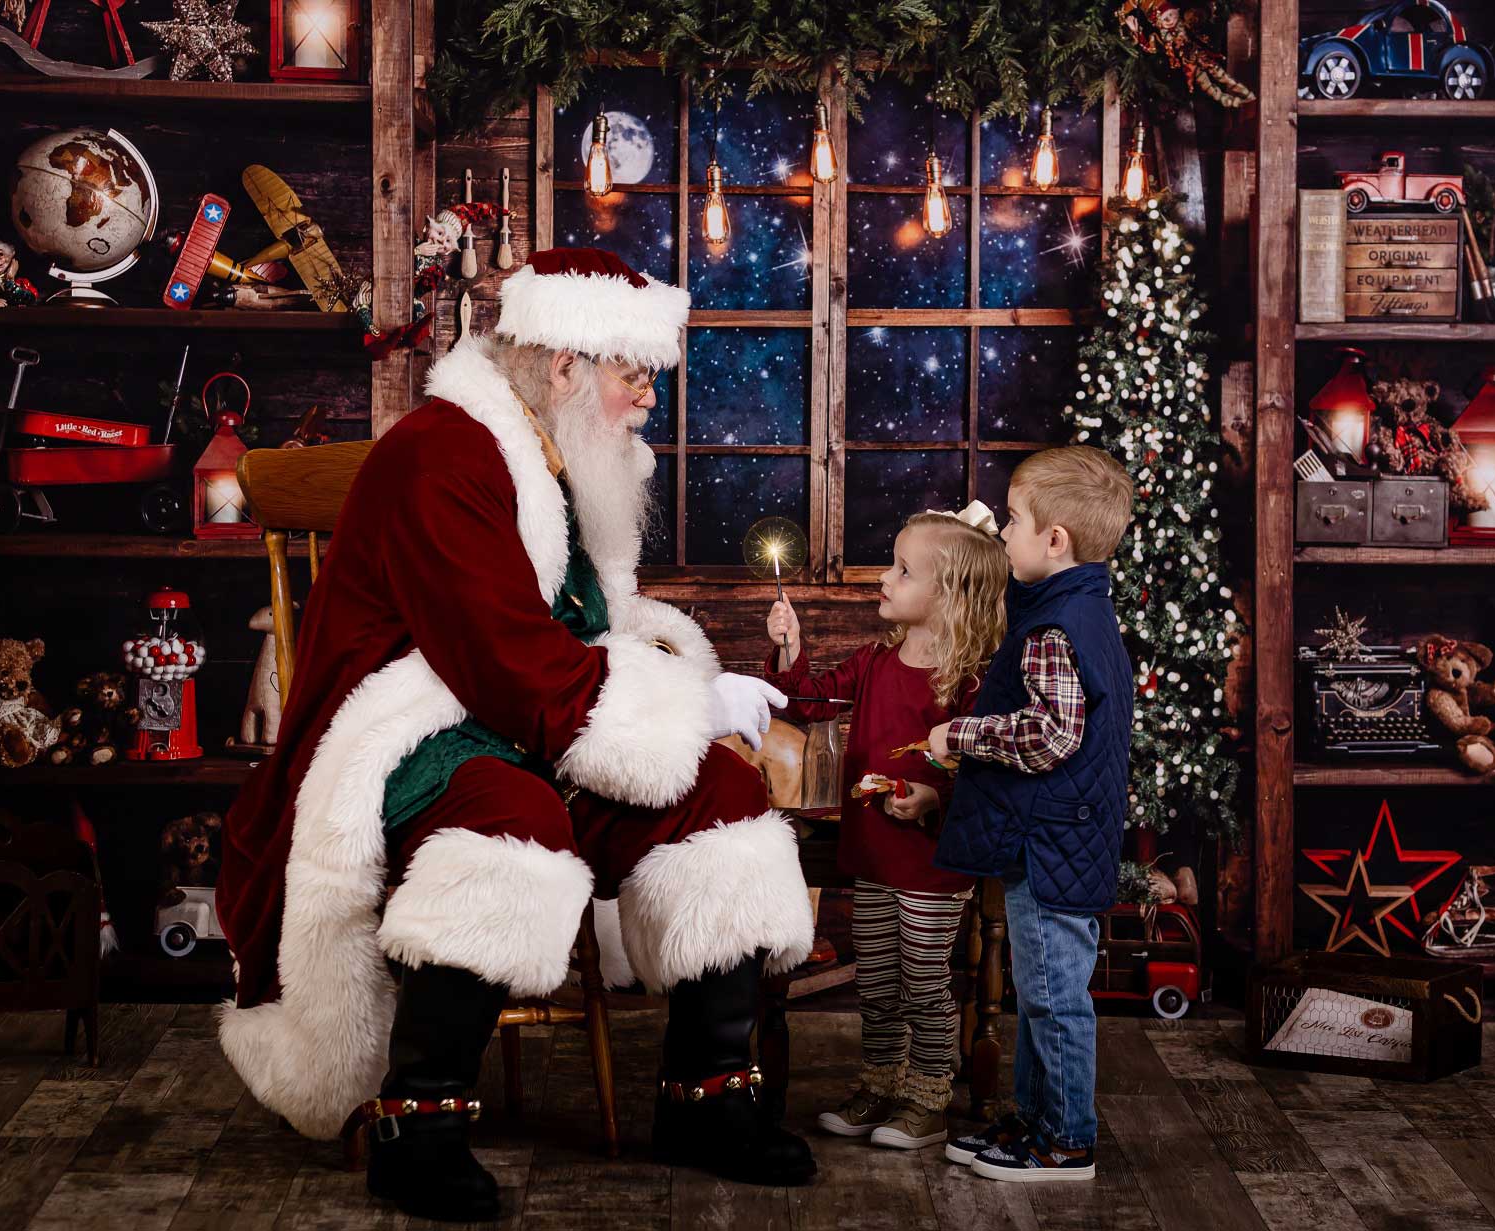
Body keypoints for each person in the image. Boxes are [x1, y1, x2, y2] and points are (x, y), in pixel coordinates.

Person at [215, 248, 818, 1222]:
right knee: (510, 814)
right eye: (634, 375)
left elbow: (577, 634)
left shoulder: (566, 455)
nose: (646, 401)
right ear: (565, 363)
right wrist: (672, 701)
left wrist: (686, 687)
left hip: (526, 713)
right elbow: (503, 661)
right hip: (408, 722)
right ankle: (422, 1123)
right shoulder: (439, 456)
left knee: (723, 793)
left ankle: (705, 1099)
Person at [764, 504, 1009, 1150]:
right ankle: (880, 1083)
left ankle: (926, 1096)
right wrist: (789, 648)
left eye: (902, 570)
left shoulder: (970, 681)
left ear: (946, 594)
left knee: (923, 984)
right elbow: (809, 700)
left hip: (930, 863)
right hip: (873, 855)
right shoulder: (873, 662)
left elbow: (983, 768)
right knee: (875, 981)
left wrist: (933, 794)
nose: (884, 577)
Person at [928, 445, 1134, 1183]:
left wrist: (958, 734)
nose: (1004, 534)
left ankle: (1066, 1138)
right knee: (1042, 990)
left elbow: (1049, 733)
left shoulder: (1054, 630)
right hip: (1061, 833)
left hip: (1051, 839)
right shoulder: (1074, 605)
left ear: (1055, 541)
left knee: (1051, 997)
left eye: (1013, 521)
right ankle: (1035, 1116)